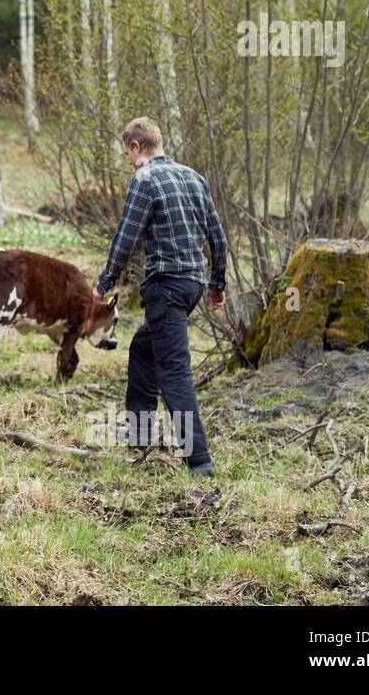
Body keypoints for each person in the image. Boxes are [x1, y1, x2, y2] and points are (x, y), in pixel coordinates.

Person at [95, 117, 227, 477]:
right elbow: (218, 237)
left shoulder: (144, 179)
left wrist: (103, 284)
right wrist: (217, 283)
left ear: (138, 147)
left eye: (127, 153)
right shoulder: (194, 177)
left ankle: (198, 460)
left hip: (166, 286)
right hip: (192, 285)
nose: (127, 160)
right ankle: (138, 434)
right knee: (143, 347)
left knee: (174, 371)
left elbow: (126, 239)